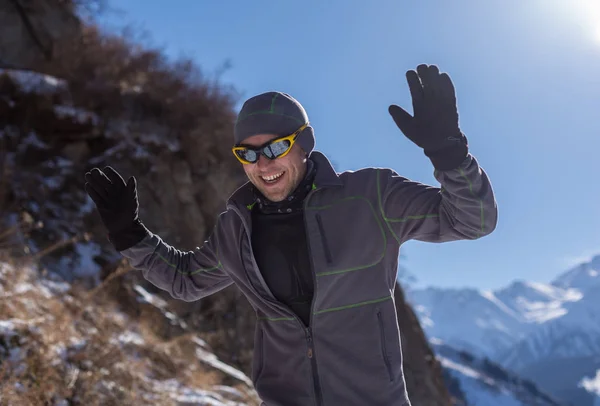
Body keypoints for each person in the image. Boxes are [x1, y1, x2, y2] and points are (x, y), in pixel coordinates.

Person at [84, 64, 498, 406]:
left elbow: (471, 220)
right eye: (247, 153)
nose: (262, 165)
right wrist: (129, 234)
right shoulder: (237, 226)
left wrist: (449, 153)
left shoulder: (370, 197)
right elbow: (186, 280)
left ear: (304, 144)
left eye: (275, 148)